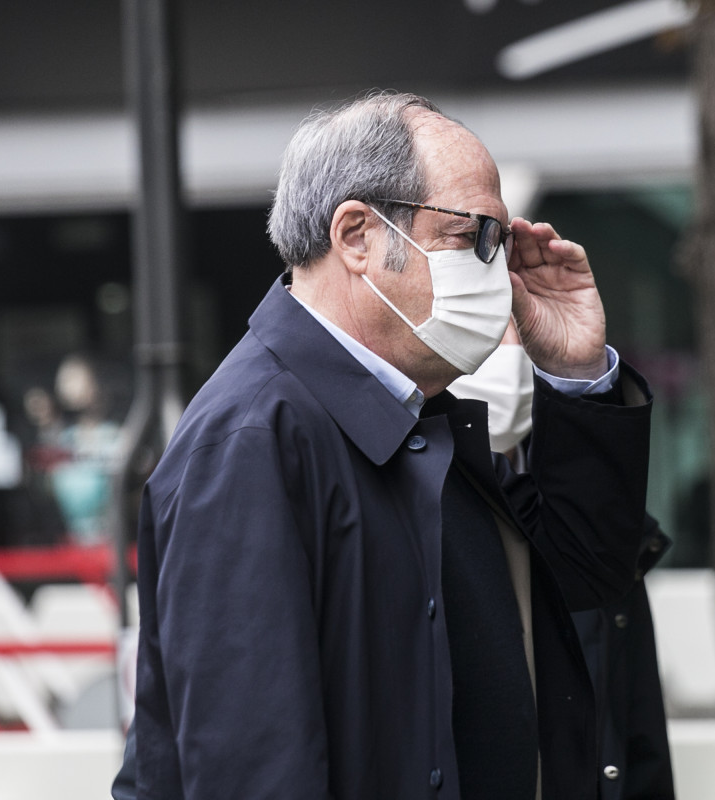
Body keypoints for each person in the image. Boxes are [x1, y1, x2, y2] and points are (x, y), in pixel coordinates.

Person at [127, 91, 654, 800]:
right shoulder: (253, 439)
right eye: (474, 237)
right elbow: (252, 766)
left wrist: (577, 373)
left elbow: (590, 576)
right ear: (356, 236)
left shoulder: (420, 417)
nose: (498, 273)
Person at [450, 330, 676, 800]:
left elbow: (638, 737)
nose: (509, 346)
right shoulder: (412, 509)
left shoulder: (594, 526)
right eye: (491, 327)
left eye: (517, 322)